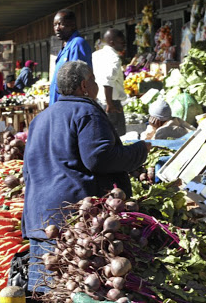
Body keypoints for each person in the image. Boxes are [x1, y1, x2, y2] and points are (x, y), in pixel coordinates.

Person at [22, 60, 150, 293]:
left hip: (40, 216)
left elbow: (28, 169)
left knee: (45, 290)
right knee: (74, 292)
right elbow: (100, 158)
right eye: (92, 79)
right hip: (72, 221)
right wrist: (140, 151)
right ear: (84, 85)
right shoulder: (87, 111)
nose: (96, 84)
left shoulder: (40, 118)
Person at [48, 9, 93, 105]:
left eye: (61, 24)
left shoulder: (77, 44)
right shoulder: (65, 47)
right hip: (58, 105)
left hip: (68, 106)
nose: (57, 28)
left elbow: (77, 80)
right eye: (55, 25)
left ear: (73, 25)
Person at [93, 29, 127, 136]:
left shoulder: (96, 54)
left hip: (99, 100)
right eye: (121, 42)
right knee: (118, 135)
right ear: (112, 43)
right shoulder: (114, 58)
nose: (124, 44)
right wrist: (110, 104)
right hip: (111, 103)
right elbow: (108, 82)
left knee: (104, 134)